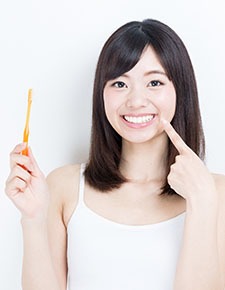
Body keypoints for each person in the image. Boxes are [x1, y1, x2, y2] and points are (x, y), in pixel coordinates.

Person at [5, 19, 225, 290]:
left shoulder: (216, 192)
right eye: (120, 84)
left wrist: (202, 201)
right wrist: (33, 219)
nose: (135, 100)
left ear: (181, 90)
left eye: (154, 82)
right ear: (102, 94)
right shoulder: (65, 186)